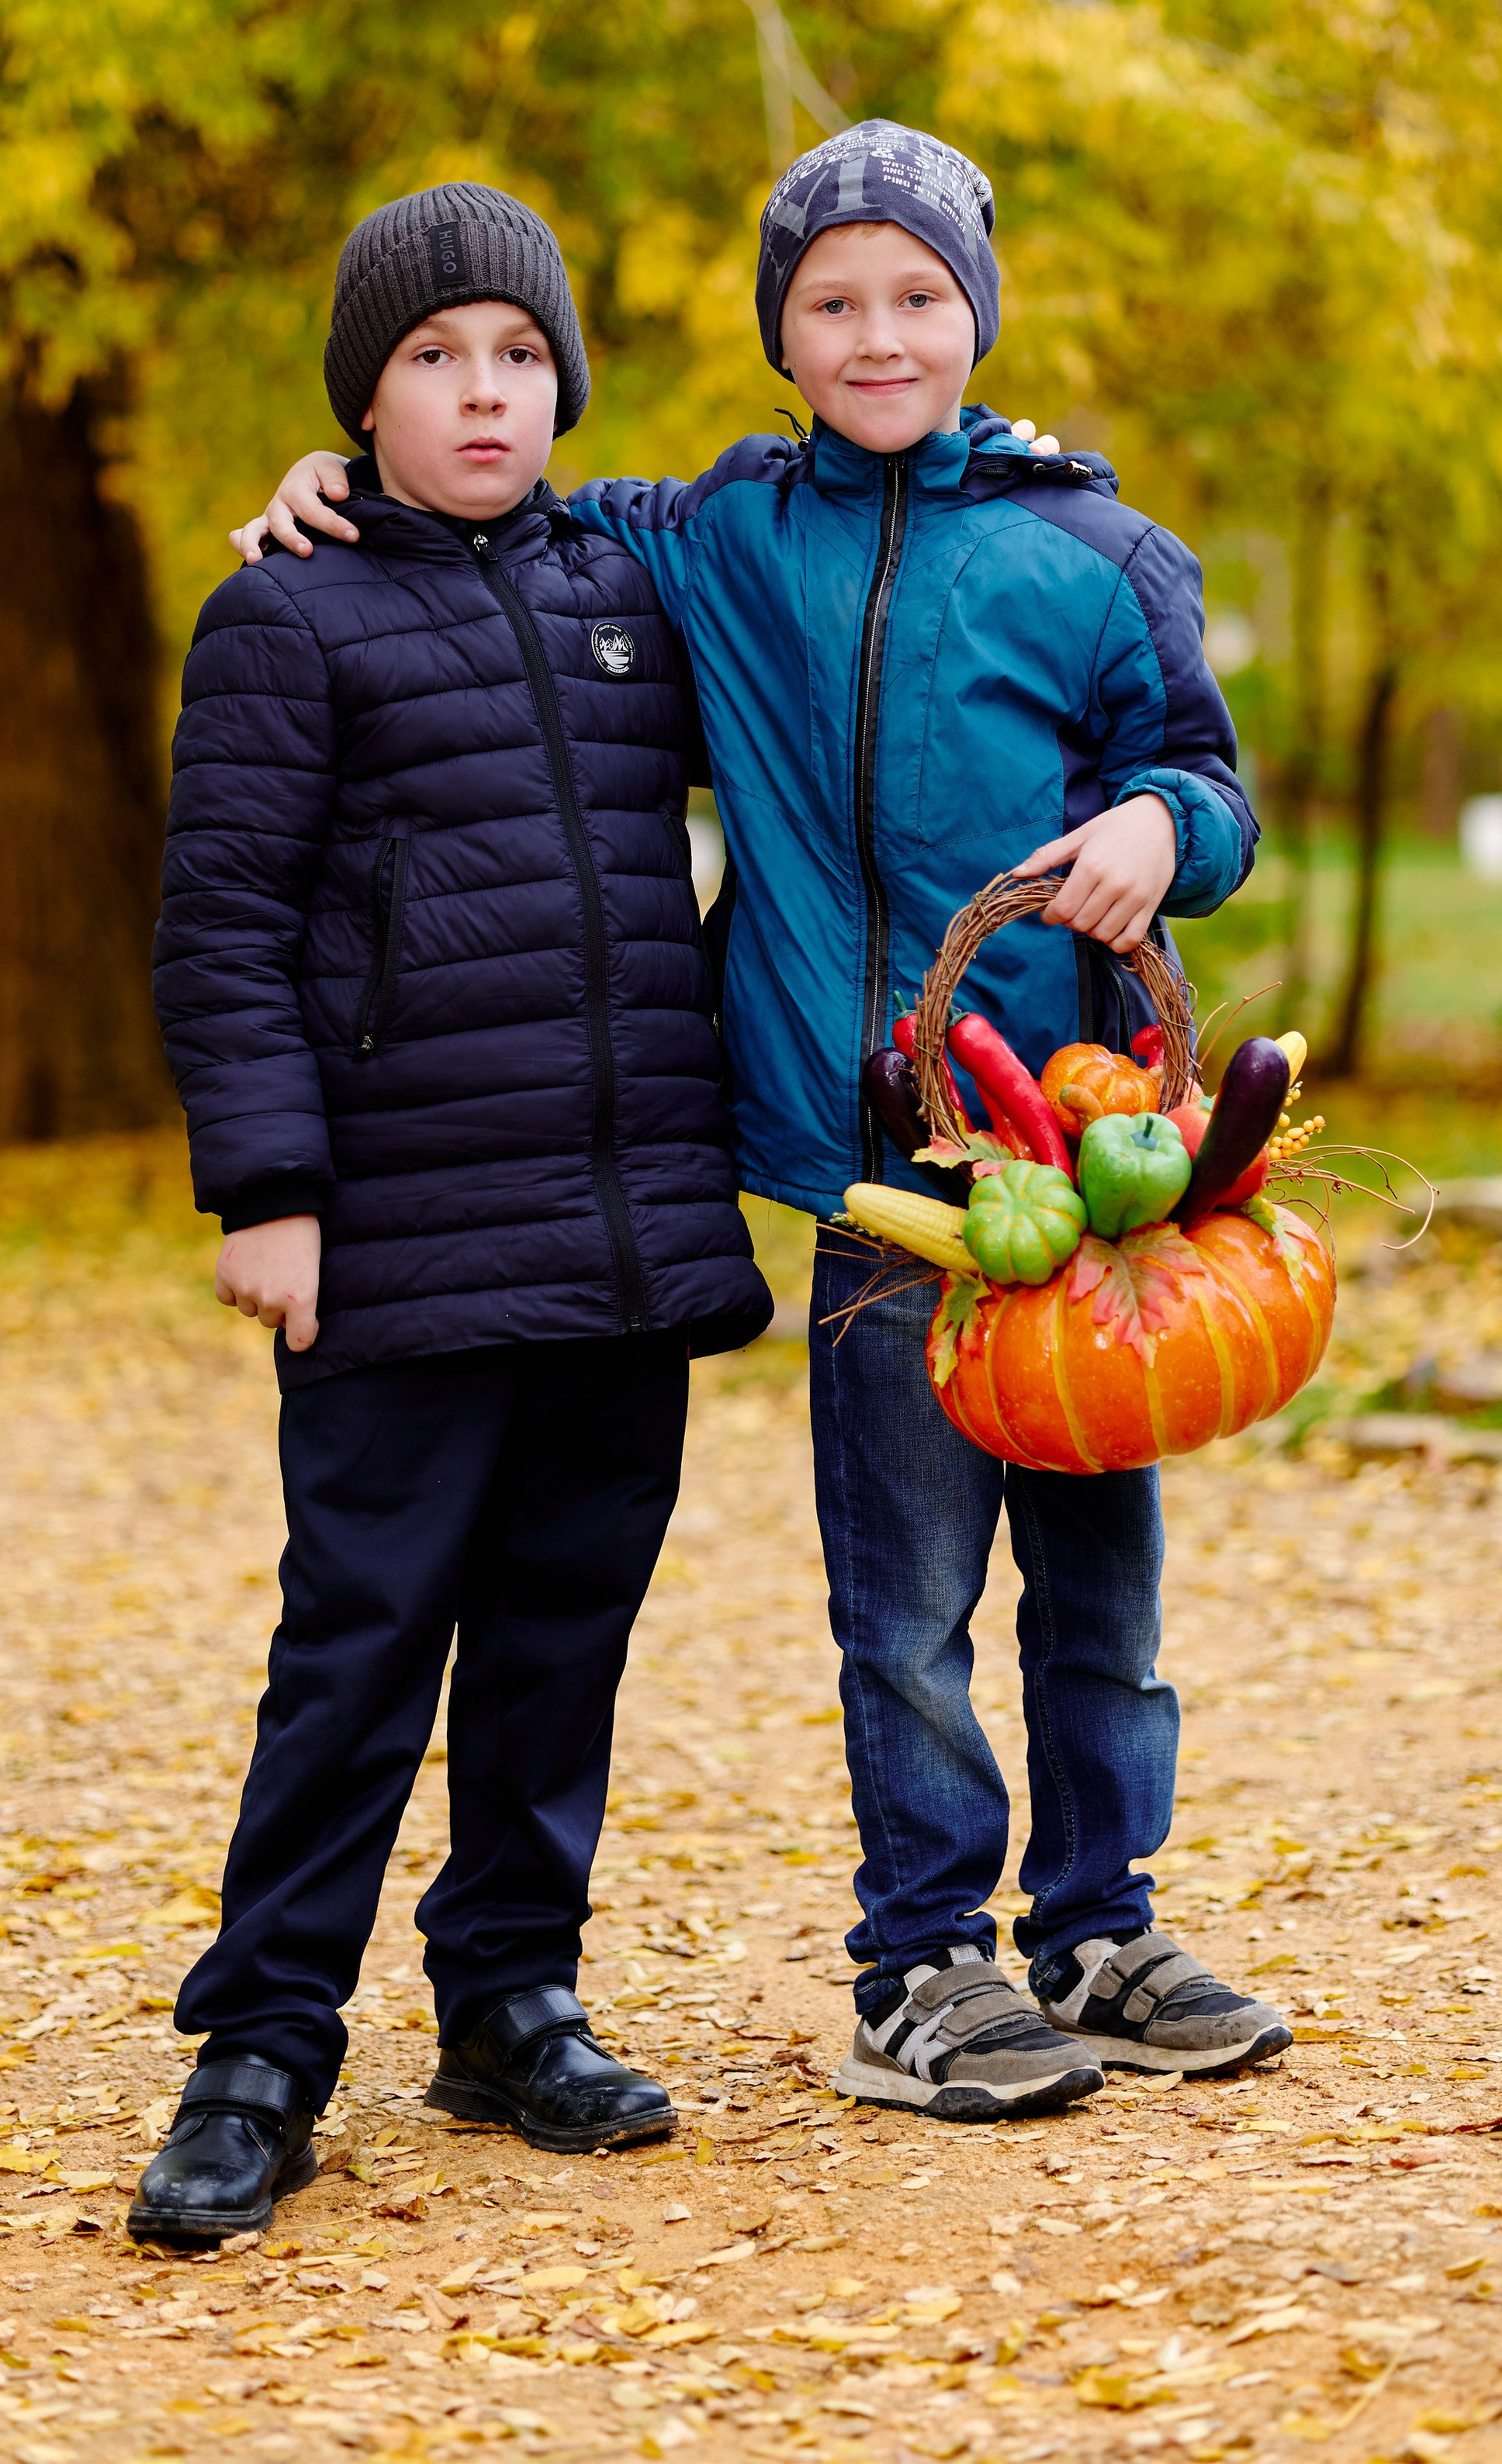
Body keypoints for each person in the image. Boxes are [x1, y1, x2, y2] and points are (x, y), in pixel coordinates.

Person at [237, 124, 1293, 2122]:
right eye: (833, 303)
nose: (879, 334)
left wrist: (1168, 825)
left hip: (1091, 1168)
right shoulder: (708, 537)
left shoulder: (1099, 547)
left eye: (918, 296)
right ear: (780, 339)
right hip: (883, 1170)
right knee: (903, 1602)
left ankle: (1101, 1918)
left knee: (1104, 1584)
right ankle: (923, 1962)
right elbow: (496, 489)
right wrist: (324, 485)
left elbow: (1210, 785)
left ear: (975, 312)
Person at [137, 184, 771, 2244]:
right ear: (365, 400)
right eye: (430, 359)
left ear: (563, 384)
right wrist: (272, 1187)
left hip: (618, 1226)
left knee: (557, 1640)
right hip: (400, 1235)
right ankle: (261, 2048)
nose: (480, 391)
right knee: (360, 1641)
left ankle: (509, 1995)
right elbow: (222, 923)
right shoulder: (285, 616)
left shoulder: (637, 592)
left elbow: (811, 527)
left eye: (514, 356)